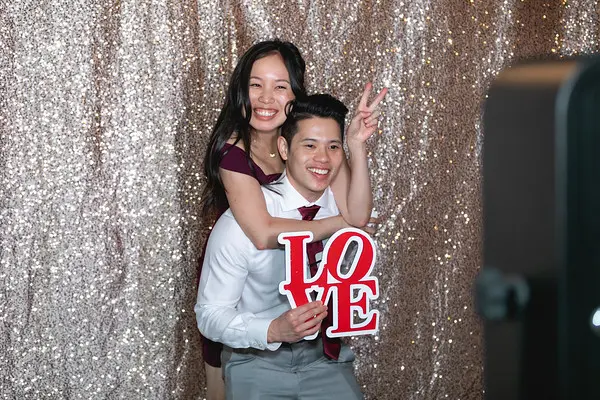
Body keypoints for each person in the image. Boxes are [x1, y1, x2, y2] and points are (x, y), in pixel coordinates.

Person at [199, 39, 386, 399]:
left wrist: (352, 145)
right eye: (256, 85)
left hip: (304, 315)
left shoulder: (315, 138)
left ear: (295, 94)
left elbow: (356, 211)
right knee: (219, 369)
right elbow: (261, 231)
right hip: (248, 251)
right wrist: (341, 225)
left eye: (280, 86)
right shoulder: (234, 148)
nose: (267, 98)